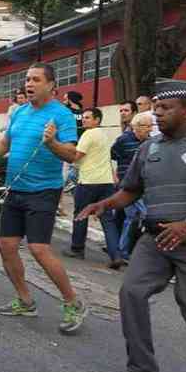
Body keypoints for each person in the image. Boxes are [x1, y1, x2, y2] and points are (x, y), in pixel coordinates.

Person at [76, 80, 186, 372]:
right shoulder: (149, 148)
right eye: (156, 107)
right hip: (155, 239)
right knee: (131, 293)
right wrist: (105, 203)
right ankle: (143, 371)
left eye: (165, 108)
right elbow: (132, 190)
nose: (156, 114)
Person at [0, 62, 88, 335]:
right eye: (27, 80)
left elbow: (71, 155)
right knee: (5, 245)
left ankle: (73, 302)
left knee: (38, 249)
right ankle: (25, 300)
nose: (28, 84)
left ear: (51, 86)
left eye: (35, 79)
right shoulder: (20, 112)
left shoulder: (62, 116)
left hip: (44, 190)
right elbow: (4, 145)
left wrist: (52, 143)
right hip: (16, 188)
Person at [61, 108, 123, 268]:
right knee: (107, 219)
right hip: (106, 182)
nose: (84, 120)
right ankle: (115, 255)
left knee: (81, 214)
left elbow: (76, 156)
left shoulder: (88, 135)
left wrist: (59, 149)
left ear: (97, 120)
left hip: (88, 181)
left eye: (88, 118)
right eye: (84, 117)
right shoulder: (104, 135)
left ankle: (77, 249)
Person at [111, 111, 153, 261]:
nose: (150, 129)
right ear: (136, 126)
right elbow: (112, 155)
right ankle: (124, 251)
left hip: (143, 186)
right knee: (141, 215)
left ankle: (122, 250)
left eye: (151, 126)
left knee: (135, 217)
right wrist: (117, 174)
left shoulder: (150, 143)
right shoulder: (124, 140)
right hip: (127, 185)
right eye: (146, 126)